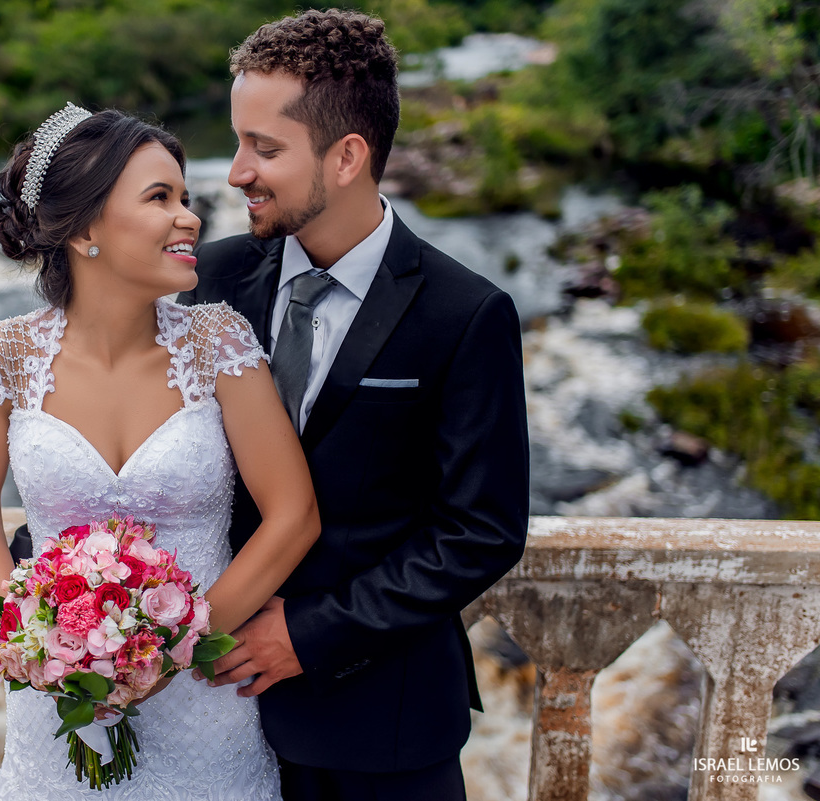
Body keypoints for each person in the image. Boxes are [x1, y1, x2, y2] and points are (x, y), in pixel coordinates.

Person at [179, 10, 530, 800]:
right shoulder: (209, 277)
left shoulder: (464, 313)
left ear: (347, 157)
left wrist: (311, 633)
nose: (237, 172)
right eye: (238, 142)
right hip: (208, 717)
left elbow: (481, 530)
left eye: (264, 148)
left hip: (383, 730)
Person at [0, 105, 320, 800]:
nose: (190, 218)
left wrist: (174, 647)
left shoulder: (220, 341)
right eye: (160, 198)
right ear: (86, 228)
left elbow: (293, 514)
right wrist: (38, 638)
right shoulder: (4, 354)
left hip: (207, 700)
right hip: (60, 705)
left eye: (186, 198)